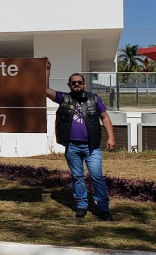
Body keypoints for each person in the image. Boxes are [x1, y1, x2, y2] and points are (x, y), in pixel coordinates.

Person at [44, 59, 115, 221]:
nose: (77, 85)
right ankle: (81, 206)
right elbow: (45, 90)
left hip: (92, 147)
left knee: (96, 176)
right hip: (72, 147)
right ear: (69, 85)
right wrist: (48, 70)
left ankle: (103, 208)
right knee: (77, 177)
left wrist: (111, 137)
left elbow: (105, 117)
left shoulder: (94, 99)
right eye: (73, 83)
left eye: (79, 82)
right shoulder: (64, 98)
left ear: (84, 84)